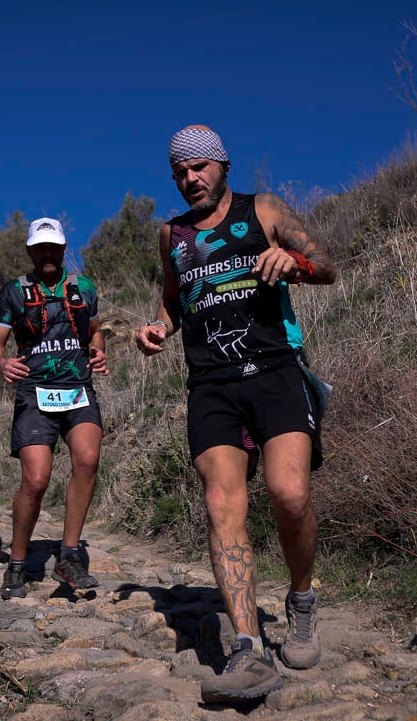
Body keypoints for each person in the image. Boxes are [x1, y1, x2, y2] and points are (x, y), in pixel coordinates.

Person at [134, 125, 336, 703]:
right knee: (222, 502)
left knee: (289, 494)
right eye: (179, 172)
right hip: (212, 385)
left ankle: (301, 600)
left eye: (197, 167)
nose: (188, 179)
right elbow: (174, 301)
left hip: (274, 371)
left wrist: (291, 260)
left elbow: (327, 265)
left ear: (221, 164)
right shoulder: (172, 235)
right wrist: (159, 329)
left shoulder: (264, 208)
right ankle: (247, 649)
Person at [0, 217, 109, 599]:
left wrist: (99, 350)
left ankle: (69, 555)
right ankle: (18, 563)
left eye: (54, 247)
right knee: (36, 480)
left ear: (63, 249)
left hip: (77, 389)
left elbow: (95, 330)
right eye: (41, 248)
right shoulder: (14, 292)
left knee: (87, 460)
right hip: (35, 392)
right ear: (30, 252)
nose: (48, 254)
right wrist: (2, 363)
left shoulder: (84, 288)